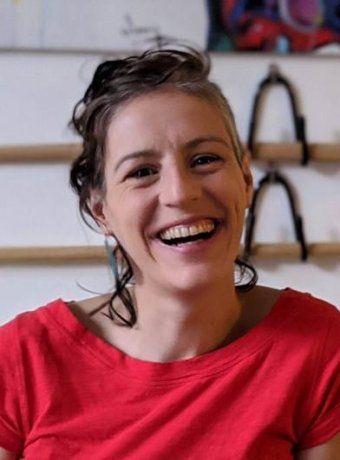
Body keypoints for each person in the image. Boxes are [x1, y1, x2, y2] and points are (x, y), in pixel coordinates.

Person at [0, 48, 339, 460]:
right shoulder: (21, 358)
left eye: (204, 159)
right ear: (101, 210)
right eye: (142, 172)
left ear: (246, 180)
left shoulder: (320, 344)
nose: (181, 193)